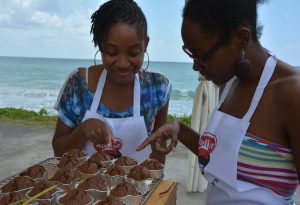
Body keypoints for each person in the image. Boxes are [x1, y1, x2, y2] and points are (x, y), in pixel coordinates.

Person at [137, 0, 299, 204]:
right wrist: (180, 128)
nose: (195, 66)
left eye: (201, 55)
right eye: (190, 53)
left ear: (241, 37)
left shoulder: (291, 93)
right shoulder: (228, 83)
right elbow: (222, 160)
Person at [52, 0, 171, 164]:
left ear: (146, 45)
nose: (122, 63)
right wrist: (83, 130)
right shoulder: (78, 84)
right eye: (111, 52)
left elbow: (158, 153)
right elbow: (59, 152)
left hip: (140, 188)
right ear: (100, 46)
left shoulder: (158, 88)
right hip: (83, 187)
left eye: (133, 52)